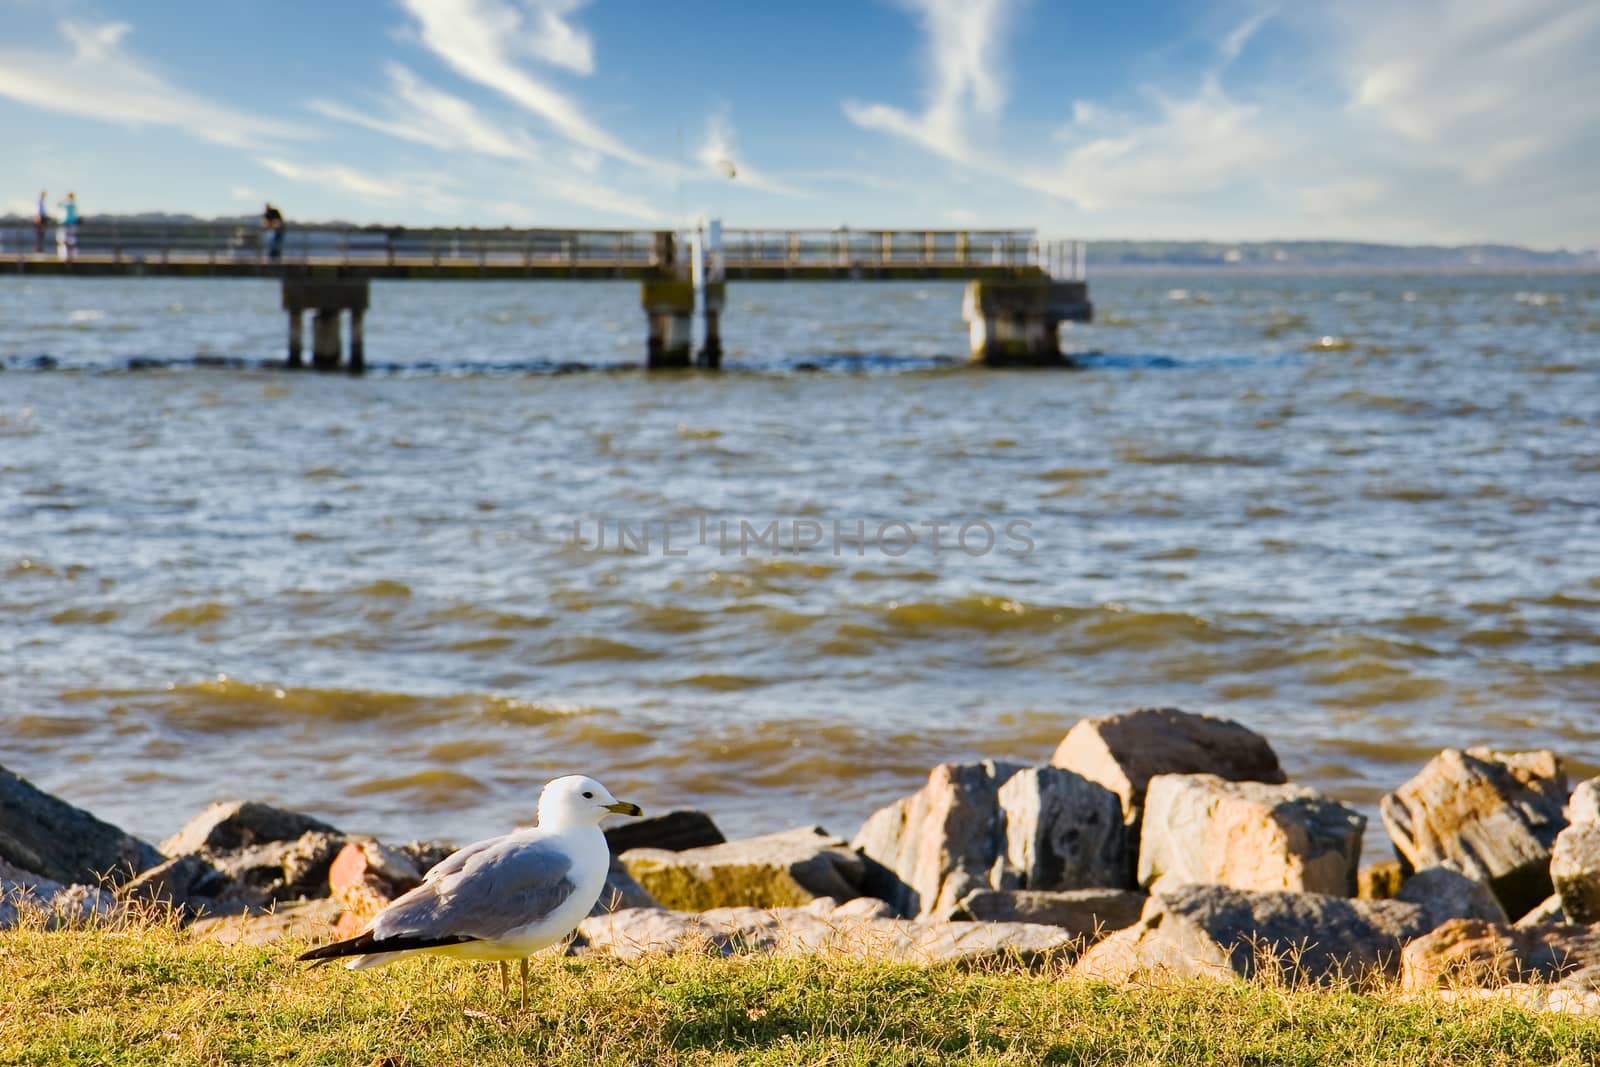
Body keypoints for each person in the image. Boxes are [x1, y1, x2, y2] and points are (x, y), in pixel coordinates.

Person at [56, 192, 79, 262]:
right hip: (71, 224)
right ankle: (70, 256)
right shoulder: (73, 204)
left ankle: (66, 256)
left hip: (67, 224)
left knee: (65, 241)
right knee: (70, 241)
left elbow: (58, 204)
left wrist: (64, 199)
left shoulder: (68, 204)